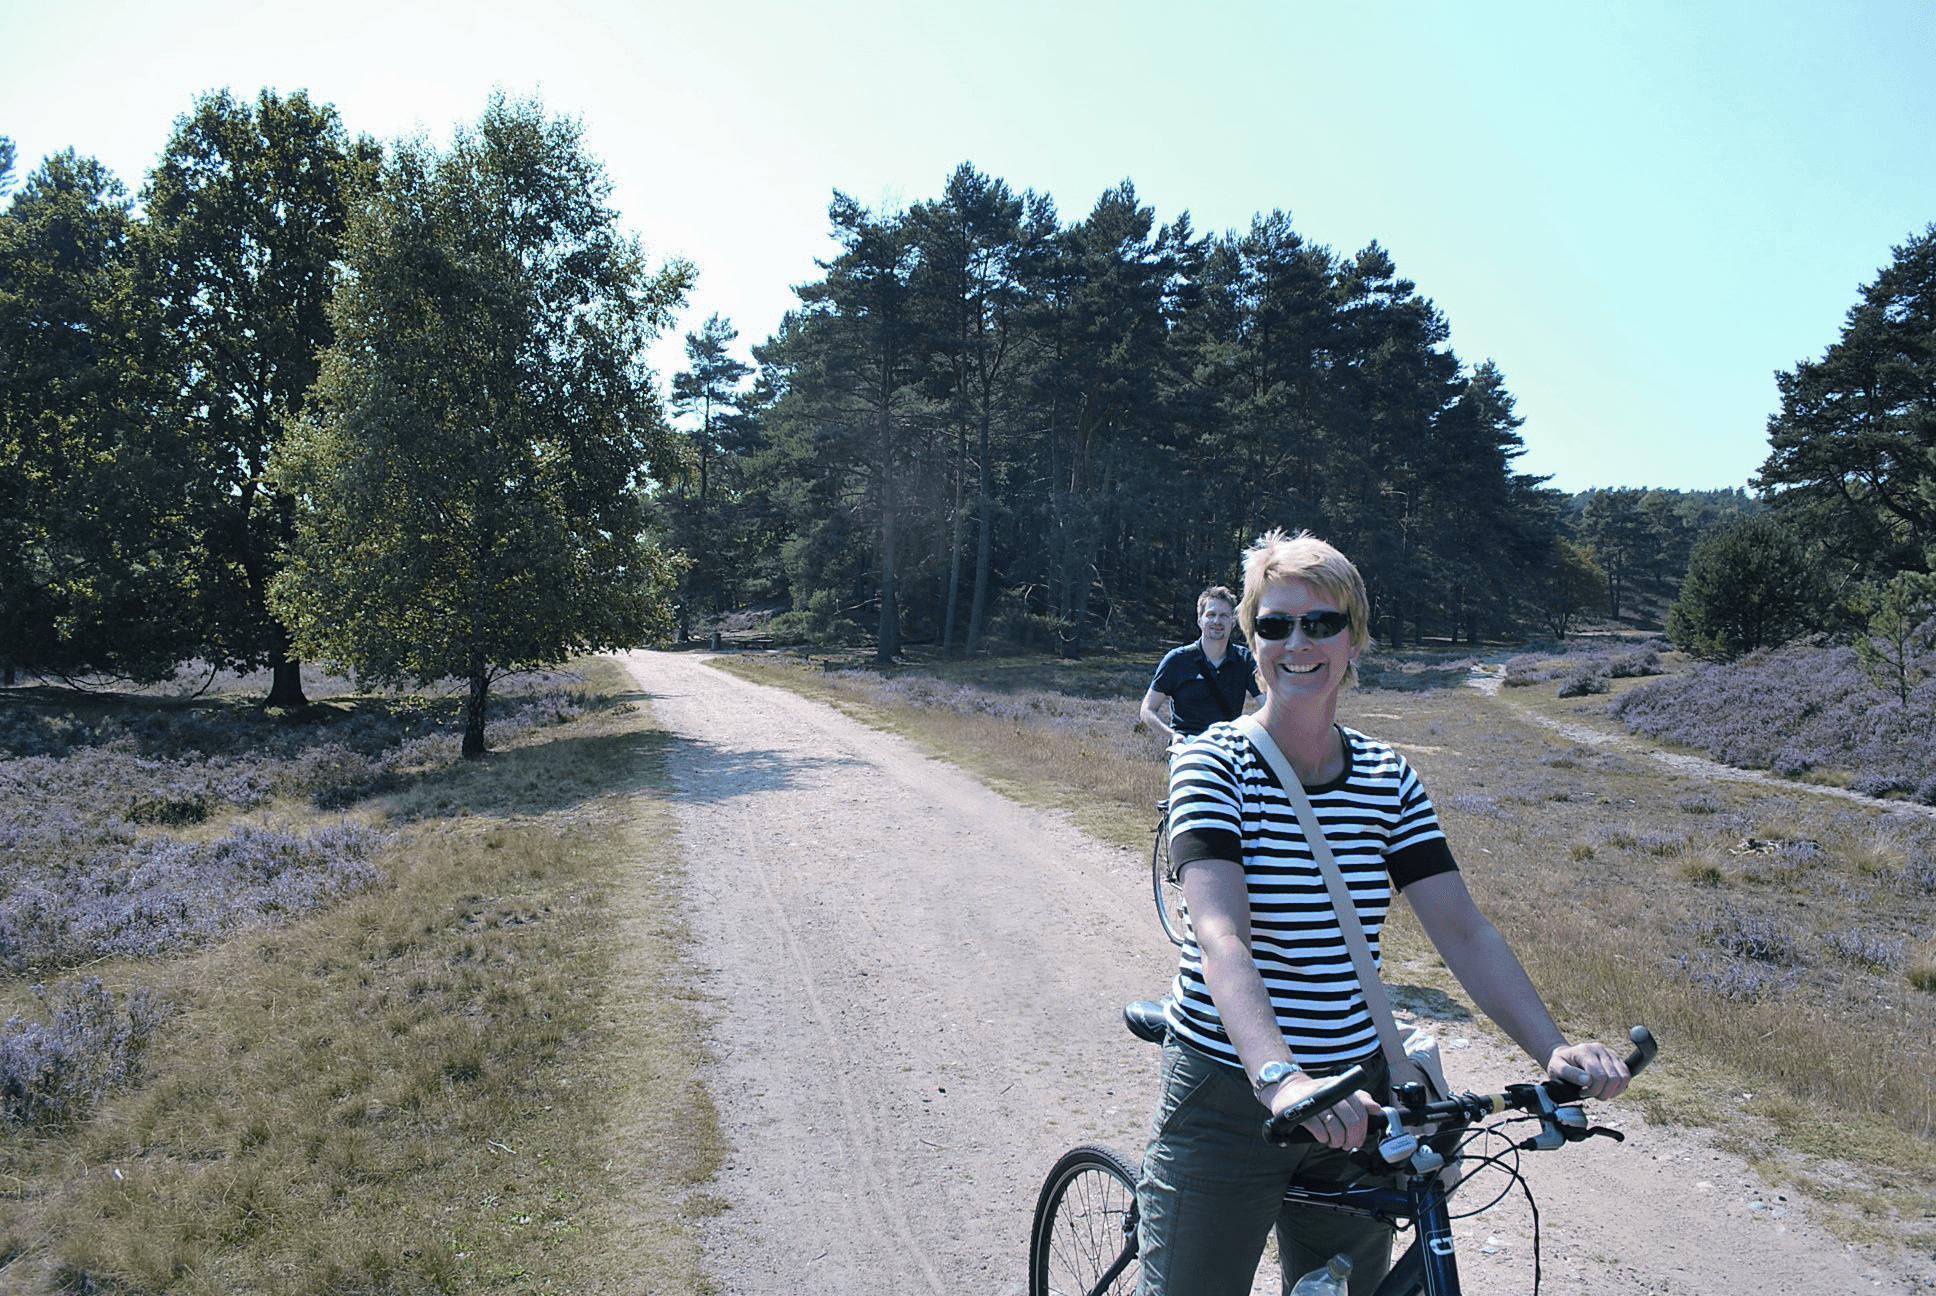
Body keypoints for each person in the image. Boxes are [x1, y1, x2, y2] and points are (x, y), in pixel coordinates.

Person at [1137, 530, 1630, 1296]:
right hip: (1234, 1093)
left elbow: (1462, 929)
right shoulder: (1212, 760)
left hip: (1359, 1101)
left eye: (1320, 623)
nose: (1296, 643)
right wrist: (1278, 1076)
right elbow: (1219, 930)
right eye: (1274, 625)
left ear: (1354, 638)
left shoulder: (1386, 778)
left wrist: (1553, 1052)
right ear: (1252, 642)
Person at [1140, 586, 1260, 747]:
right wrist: (1173, 736)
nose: (1217, 621)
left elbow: (1267, 705)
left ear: (1233, 621)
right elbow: (1147, 710)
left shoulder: (1245, 660)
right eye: (1211, 615)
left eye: (1224, 615)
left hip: (1229, 747)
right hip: (1188, 744)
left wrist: (1248, 733)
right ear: (1200, 620)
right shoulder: (1177, 660)